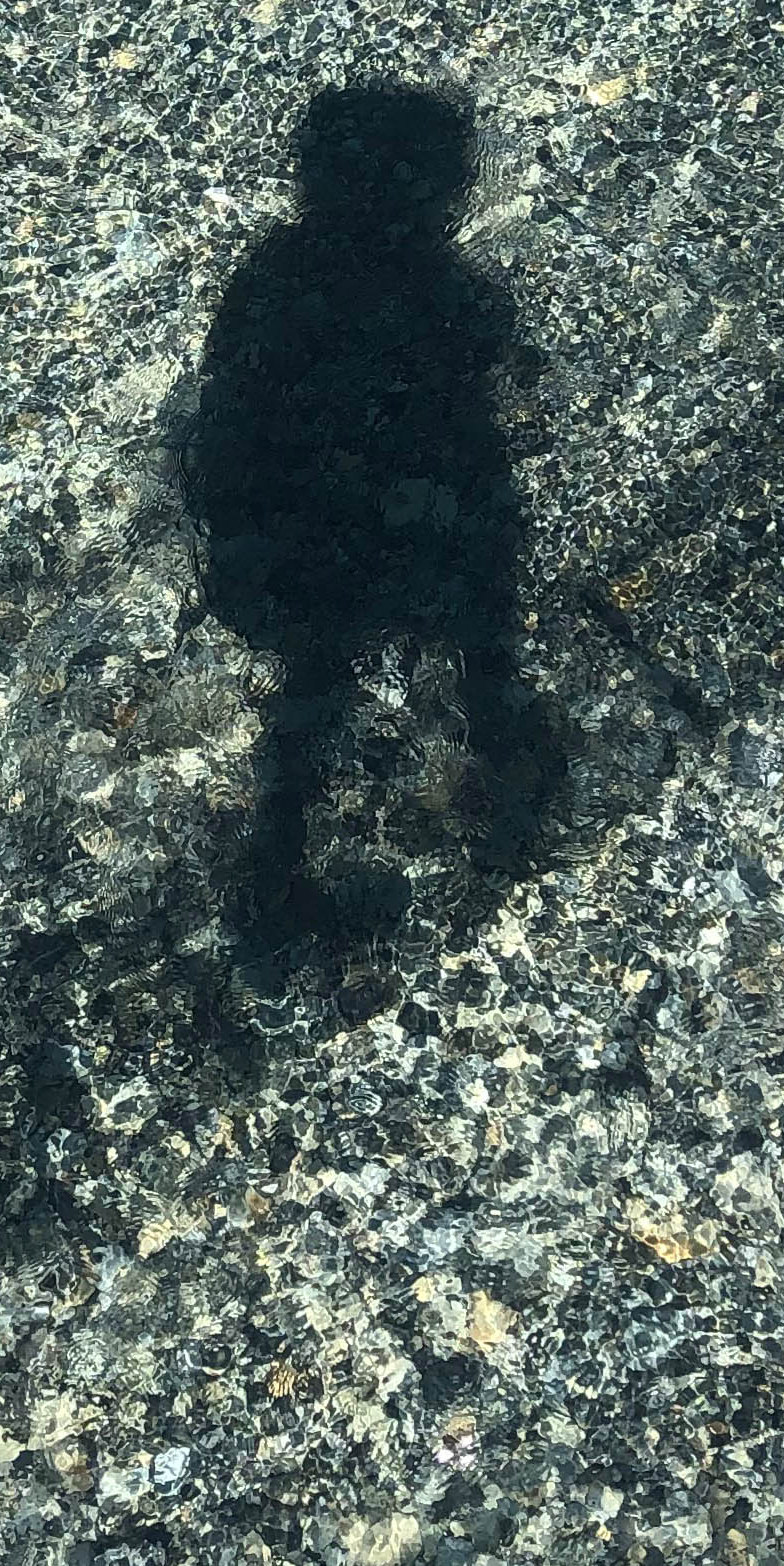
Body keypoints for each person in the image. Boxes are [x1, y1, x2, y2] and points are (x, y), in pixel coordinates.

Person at [187, 83, 562, 973]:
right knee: (484, 622)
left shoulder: (273, 276)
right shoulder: (449, 286)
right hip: (427, 527)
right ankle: (505, 774)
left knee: (310, 693)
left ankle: (275, 861)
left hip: (303, 539)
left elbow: (224, 409)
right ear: (449, 192)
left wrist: (225, 531)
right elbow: (493, 370)